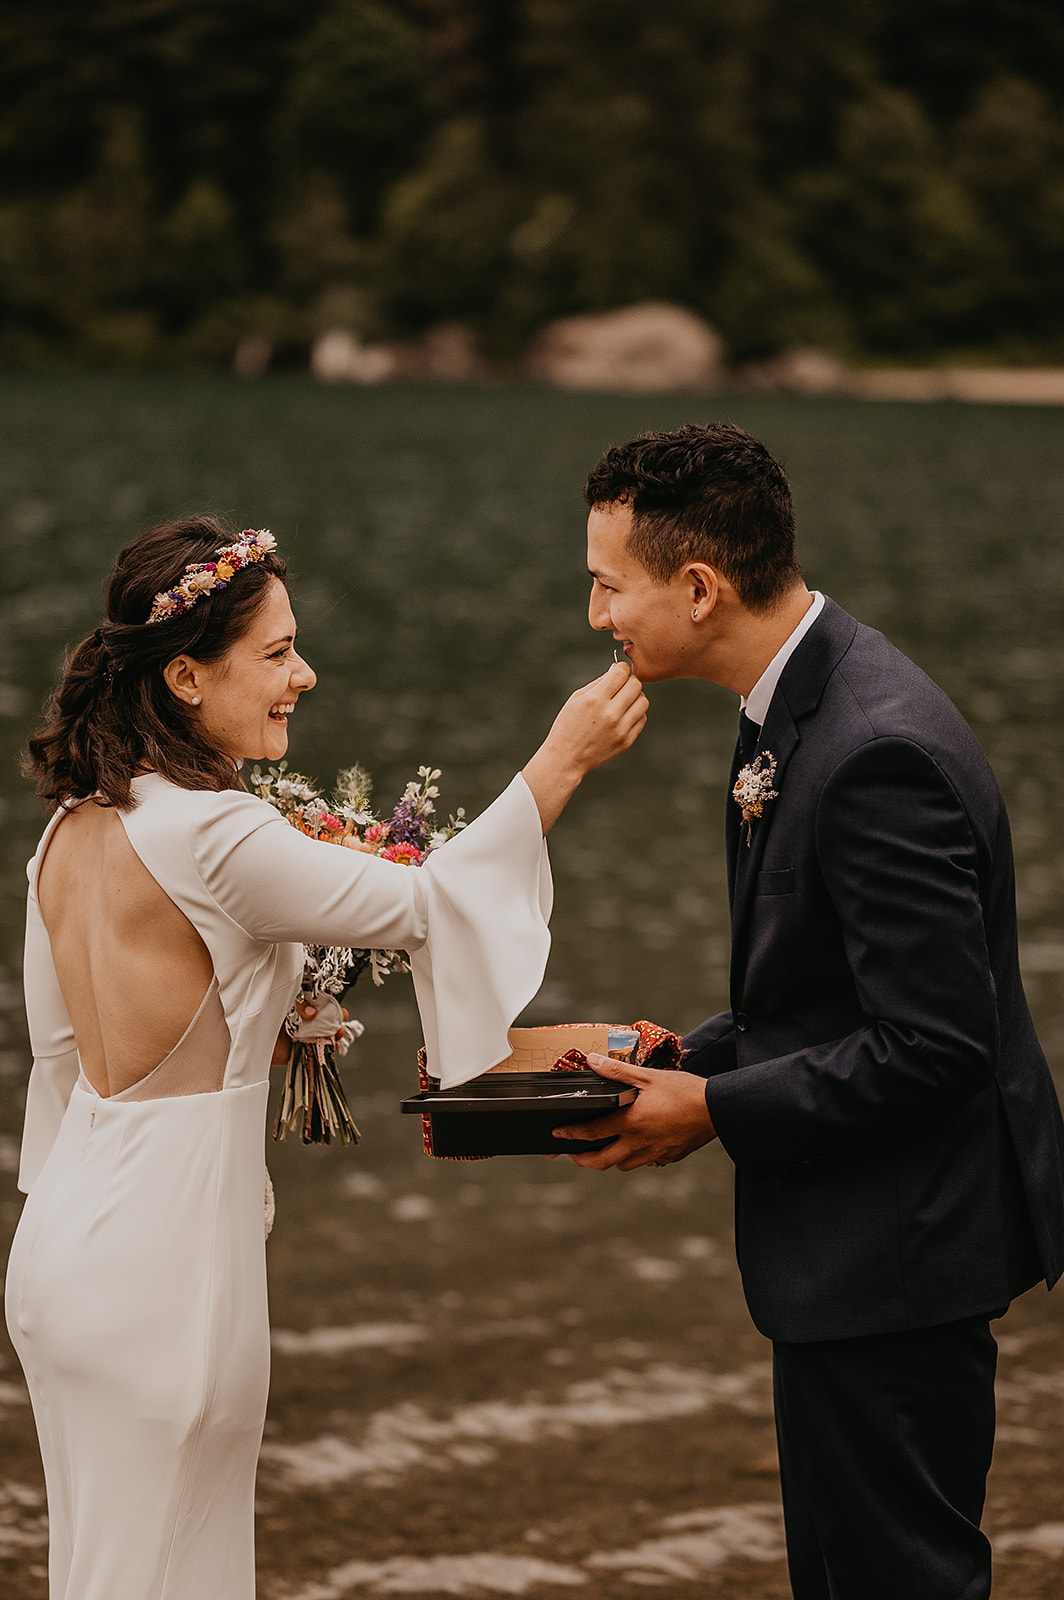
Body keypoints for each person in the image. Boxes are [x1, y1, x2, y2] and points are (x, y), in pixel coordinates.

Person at [5, 514, 648, 1600]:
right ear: (185, 678)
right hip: (167, 1265)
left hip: (58, 1255)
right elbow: (432, 903)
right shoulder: (215, 833)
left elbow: (64, 1061)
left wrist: (275, 1007)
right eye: (275, 652)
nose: (304, 673)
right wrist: (561, 759)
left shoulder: (69, 831)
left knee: (106, 1568)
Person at [555, 423, 1064, 1600]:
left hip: (899, 1250)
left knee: (896, 1579)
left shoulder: (873, 747)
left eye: (605, 585)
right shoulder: (792, 702)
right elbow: (833, 987)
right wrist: (683, 1053)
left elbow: (937, 1044)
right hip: (855, 1240)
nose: (596, 618)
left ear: (696, 585)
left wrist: (711, 1108)